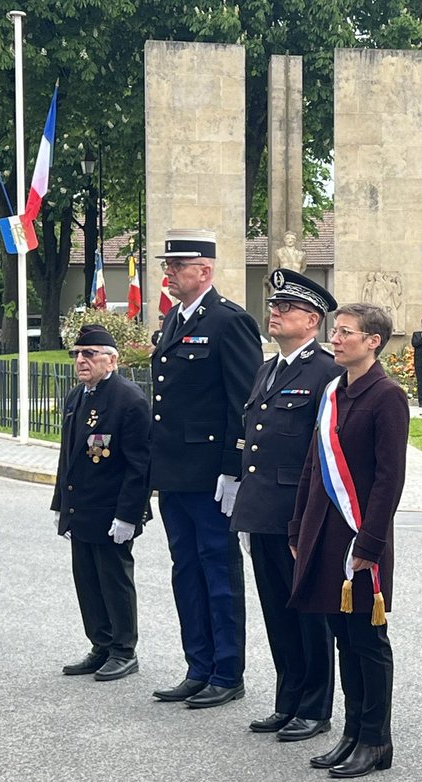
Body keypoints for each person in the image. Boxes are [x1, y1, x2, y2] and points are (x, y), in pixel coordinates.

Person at [288, 302, 409, 777]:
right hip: (324, 532)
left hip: (361, 537)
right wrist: (298, 525)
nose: (335, 339)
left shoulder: (387, 396)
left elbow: (388, 479)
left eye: (345, 333)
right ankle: (353, 731)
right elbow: (312, 465)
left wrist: (371, 544)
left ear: (373, 341)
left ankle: (377, 740)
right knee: (342, 636)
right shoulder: (334, 391)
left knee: (367, 639)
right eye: (335, 332)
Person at [150, 229, 263, 709]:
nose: (169, 273)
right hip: (174, 472)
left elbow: (244, 400)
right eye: (167, 266)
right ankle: (197, 665)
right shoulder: (174, 319)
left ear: (205, 271)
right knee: (186, 570)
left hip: (210, 473)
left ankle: (226, 670)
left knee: (218, 569)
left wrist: (233, 468)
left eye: (178, 266)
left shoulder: (228, 322)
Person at [231, 269, 340, 742]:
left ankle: (315, 707)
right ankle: (288, 698)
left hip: (299, 514)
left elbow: (325, 453)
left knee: (308, 612)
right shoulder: (267, 368)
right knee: (277, 610)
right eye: (274, 306)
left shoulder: (327, 372)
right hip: (263, 510)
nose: (274, 313)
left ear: (312, 320)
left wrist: (311, 520)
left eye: (286, 308)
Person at [51, 325, 151, 681]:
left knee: (114, 578)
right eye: (77, 353)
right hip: (82, 506)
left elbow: (139, 465)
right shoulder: (78, 396)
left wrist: (128, 515)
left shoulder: (128, 399)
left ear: (112, 359)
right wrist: (61, 504)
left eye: (90, 353)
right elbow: (69, 456)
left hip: (112, 508)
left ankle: (124, 649)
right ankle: (101, 643)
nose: (81, 360)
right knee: (88, 580)